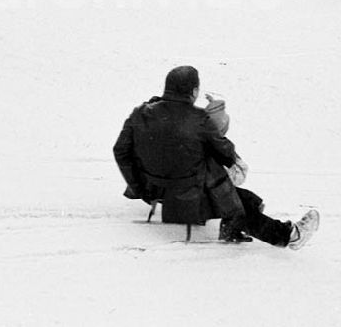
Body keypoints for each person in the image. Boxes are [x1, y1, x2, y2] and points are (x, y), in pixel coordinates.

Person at [113, 65, 319, 250]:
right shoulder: (199, 120)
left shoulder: (140, 113)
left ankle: (232, 231)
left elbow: (120, 151)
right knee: (237, 199)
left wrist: (139, 187)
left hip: (154, 191)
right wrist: (215, 120)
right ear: (194, 91)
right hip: (187, 198)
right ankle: (290, 236)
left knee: (243, 197)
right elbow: (226, 153)